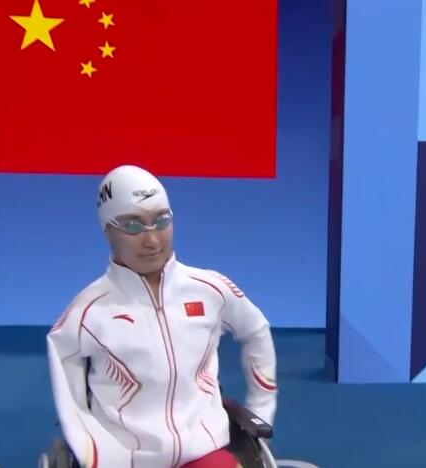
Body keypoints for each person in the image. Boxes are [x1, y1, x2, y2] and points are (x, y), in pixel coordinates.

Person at [47, 165, 278, 468]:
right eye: (133, 226)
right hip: (125, 459)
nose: (152, 240)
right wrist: (90, 448)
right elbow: (65, 374)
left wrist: (261, 407)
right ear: (108, 232)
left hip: (202, 449)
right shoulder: (88, 310)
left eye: (161, 221)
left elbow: (255, 330)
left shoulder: (210, 289)